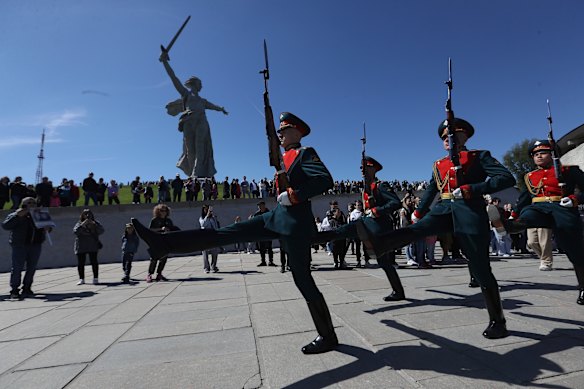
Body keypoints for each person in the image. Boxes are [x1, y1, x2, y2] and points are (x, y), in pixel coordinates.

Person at [132, 112, 338, 354]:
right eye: (278, 132)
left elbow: (325, 180)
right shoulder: (285, 159)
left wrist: (294, 195)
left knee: (303, 281)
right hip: (277, 217)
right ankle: (164, 244)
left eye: (283, 131)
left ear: (296, 132)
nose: (279, 136)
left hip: (296, 226)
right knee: (227, 233)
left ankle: (328, 336)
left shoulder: (305, 153)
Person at [357, 118, 516, 339]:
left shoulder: (479, 156)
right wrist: (418, 212)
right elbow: (432, 189)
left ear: (465, 137)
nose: (447, 140)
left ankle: (498, 321)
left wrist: (473, 188)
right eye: (444, 138)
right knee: (420, 228)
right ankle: (380, 245)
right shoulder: (439, 164)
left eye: (452, 135)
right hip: (444, 208)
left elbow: (506, 178)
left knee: (480, 266)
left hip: (469, 209)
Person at [316, 156, 405, 301]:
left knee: (384, 262)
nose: (362, 170)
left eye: (365, 167)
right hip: (367, 224)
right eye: (361, 168)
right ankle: (314, 239)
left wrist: (377, 211)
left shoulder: (381, 186)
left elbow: (395, 203)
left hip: (379, 227)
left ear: (373, 168)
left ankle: (398, 292)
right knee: (341, 232)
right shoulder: (366, 188)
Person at [508, 139, 584, 304]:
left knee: (575, 251)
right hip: (539, 208)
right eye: (535, 154)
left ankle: (583, 287)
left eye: (542, 152)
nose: (539, 156)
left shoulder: (568, 170)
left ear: (552, 154)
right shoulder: (529, 176)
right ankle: (511, 226)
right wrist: (513, 215)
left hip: (561, 207)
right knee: (528, 214)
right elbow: (525, 198)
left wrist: (574, 199)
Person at [159, 50, 228, 178]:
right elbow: (174, 78)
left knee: (200, 146)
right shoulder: (186, 94)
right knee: (190, 149)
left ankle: (197, 172)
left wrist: (221, 109)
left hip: (201, 121)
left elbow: (213, 106)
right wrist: (165, 62)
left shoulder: (203, 101)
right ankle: (192, 173)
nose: (201, 86)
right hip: (188, 121)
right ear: (195, 84)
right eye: (200, 84)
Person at [2, 197, 50, 299]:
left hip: (35, 244)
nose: (32, 204)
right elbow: (6, 226)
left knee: (32, 267)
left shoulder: (39, 214)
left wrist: (48, 228)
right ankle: (14, 289)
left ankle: (27, 287)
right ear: (23, 204)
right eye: (29, 203)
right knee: (17, 267)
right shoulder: (16, 214)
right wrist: (17, 216)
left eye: (33, 202)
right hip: (20, 245)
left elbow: (47, 228)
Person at [146, 204, 178, 282]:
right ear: (158, 211)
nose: (163, 212)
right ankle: (149, 274)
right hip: (156, 242)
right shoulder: (155, 220)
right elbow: (150, 230)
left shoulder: (168, 221)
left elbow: (173, 229)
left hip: (166, 242)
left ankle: (159, 274)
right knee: (154, 259)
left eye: (165, 210)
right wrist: (161, 229)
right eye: (161, 210)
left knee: (163, 258)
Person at [73, 209, 104, 285]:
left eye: (89, 213)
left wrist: (94, 225)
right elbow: (76, 231)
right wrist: (84, 224)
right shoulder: (79, 223)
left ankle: (95, 278)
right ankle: (81, 278)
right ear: (82, 215)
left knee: (94, 262)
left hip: (92, 245)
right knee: (81, 263)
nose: (87, 215)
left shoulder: (95, 223)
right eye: (85, 214)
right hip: (81, 246)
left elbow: (101, 230)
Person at [199, 204, 221, 273]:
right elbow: (203, 225)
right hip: (205, 238)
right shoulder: (201, 218)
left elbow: (216, 226)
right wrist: (207, 216)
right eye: (205, 209)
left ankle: (213, 266)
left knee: (215, 252)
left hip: (213, 237)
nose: (207, 210)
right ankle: (206, 267)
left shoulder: (213, 218)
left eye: (208, 209)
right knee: (205, 254)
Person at [253, 201, 276, 267]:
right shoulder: (257, 214)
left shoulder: (269, 212)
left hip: (268, 232)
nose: (259, 207)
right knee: (261, 248)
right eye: (258, 206)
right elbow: (254, 222)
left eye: (260, 205)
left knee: (269, 248)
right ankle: (263, 261)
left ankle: (271, 261)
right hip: (261, 233)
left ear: (264, 205)